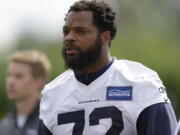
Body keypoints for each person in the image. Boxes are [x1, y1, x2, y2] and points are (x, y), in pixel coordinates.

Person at [38, 0, 177, 135]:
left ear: (105, 37)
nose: (69, 37)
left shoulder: (142, 83)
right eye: (66, 31)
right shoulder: (52, 93)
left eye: (80, 31)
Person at [0, 50, 51, 135]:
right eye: (9, 75)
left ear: (38, 82)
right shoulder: (4, 124)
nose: (10, 81)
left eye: (18, 76)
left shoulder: (50, 121)